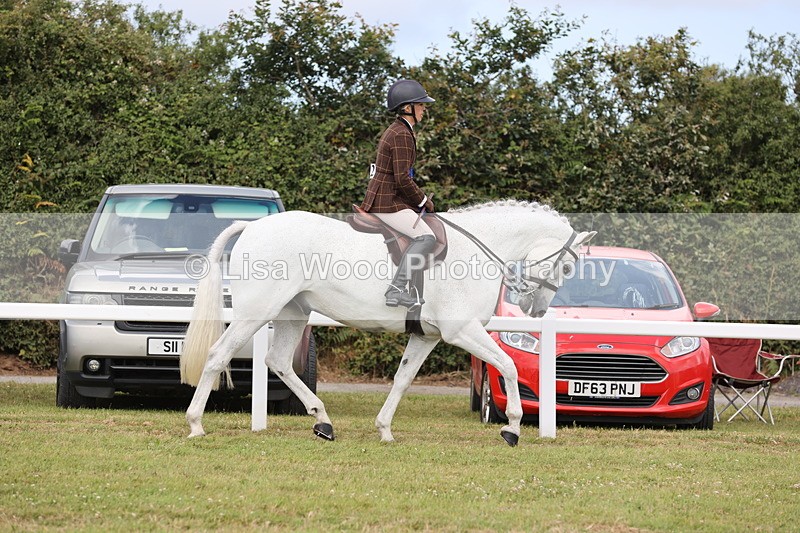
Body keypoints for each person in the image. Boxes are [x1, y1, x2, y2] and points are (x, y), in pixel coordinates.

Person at [361, 79, 437, 309]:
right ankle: (396, 288)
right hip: (386, 201)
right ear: (407, 108)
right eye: (420, 105)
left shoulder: (400, 130)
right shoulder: (401, 134)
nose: (424, 109)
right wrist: (423, 200)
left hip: (388, 197)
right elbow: (402, 178)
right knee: (427, 237)